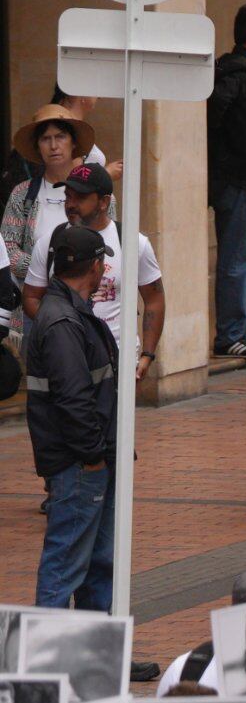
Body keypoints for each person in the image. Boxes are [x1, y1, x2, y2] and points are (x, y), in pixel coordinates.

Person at [26, 223, 118, 611]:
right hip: (79, 463)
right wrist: (93, 455)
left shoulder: (67, 312)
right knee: (65, 565)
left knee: (97, 563)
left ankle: (101, 657)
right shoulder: (64, 321)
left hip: (84, 459)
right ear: (95, 266)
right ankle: (42, 662)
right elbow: (72, 398)